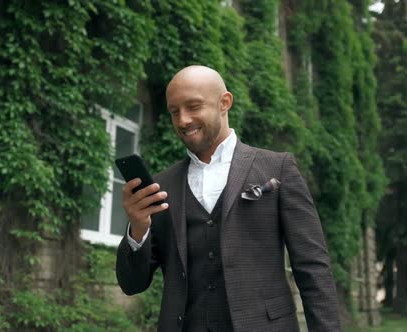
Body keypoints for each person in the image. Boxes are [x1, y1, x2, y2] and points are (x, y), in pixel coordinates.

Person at [116, 65, 341, 331]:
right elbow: (132, 284)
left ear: (225, 103)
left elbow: (312, 266)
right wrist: (138, 229)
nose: (183, 120)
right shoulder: (162, 186)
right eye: (174, 111)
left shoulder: (277, 168)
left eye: (193, 106)